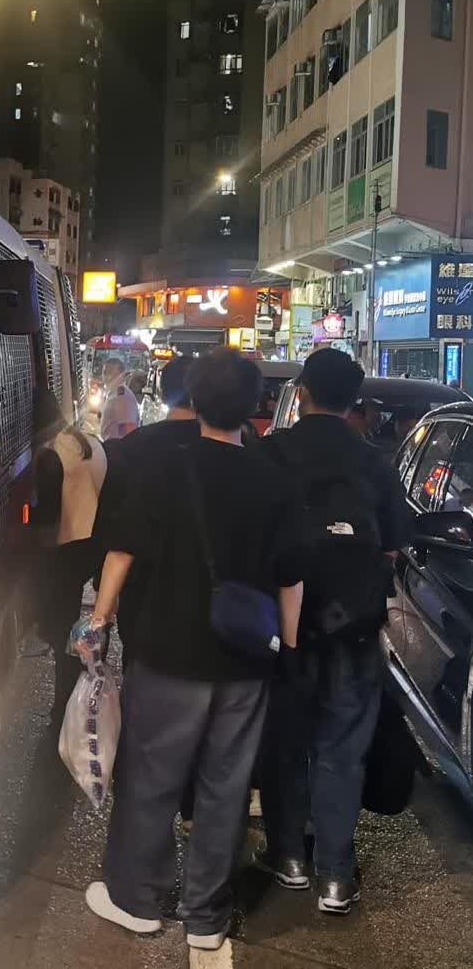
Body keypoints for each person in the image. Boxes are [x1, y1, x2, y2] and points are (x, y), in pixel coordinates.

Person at [82, 348, 303, 952]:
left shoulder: (165, 470)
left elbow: (122, 551)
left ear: (195, 401)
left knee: (151, 778)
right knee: (226, 787)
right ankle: (206, 915)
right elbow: (291, 577)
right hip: (245, 658)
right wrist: (288, 649)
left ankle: (136, 899)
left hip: (168, 654)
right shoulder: (273, 479)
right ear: (254, 407)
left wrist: (98, 621)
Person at [257, 349, 410, 916]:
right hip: (353, 626)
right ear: (355, 401)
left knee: (284, 741)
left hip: (283, 624)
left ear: (302, 393)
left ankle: (288, 857)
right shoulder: (375, 461)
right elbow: (391, 546)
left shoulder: (271, 452)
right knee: (342, 750)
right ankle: (335, 877)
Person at [33, 398, 108, 729]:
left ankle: (65, 701)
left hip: (69, 547)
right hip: (97, 543)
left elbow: (48, 520)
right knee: (91, 624)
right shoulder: (89, 442)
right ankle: (87, 682)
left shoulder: (50, 454)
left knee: (61, 625)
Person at [99, 358, 140, 441]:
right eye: (104, 372)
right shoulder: (113, 393)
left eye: (110, 372)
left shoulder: (122, 396)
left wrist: (118, 445)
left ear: (121, 374)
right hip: (112, 444)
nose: (106, 376)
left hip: (117, 445)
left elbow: (128, 429)